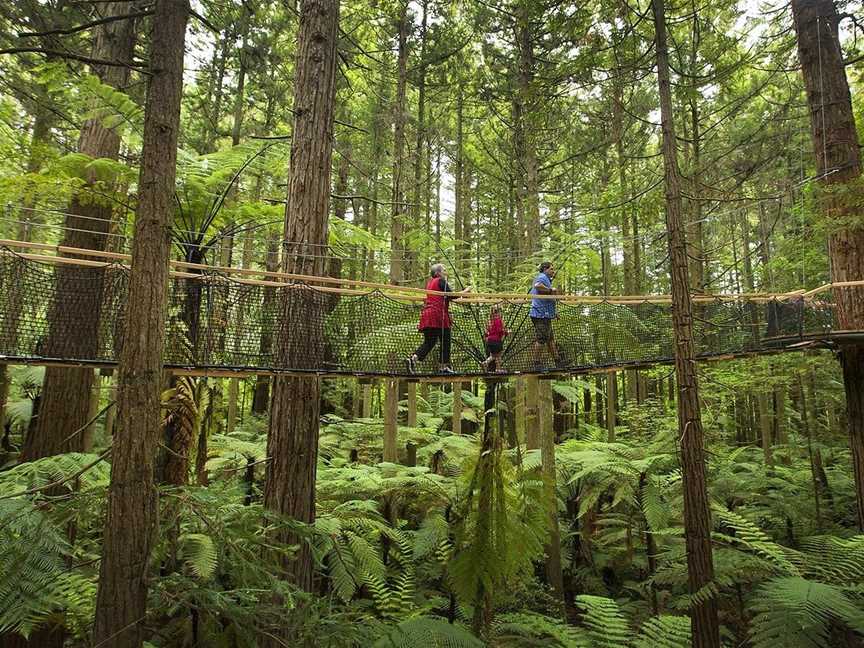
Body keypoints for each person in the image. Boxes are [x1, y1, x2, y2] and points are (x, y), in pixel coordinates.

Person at [406, 263, 470, 374]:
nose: (445, 272)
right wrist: (465, 291)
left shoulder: (429, 283)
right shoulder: (440, 281)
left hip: (427, 315)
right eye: (443, 270)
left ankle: (413, 359)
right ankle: (443, 367)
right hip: (438, 316)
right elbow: (451, 295)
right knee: (446, 340)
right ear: (438, 273)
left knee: (429, 342)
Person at [530, 261, 562, 366]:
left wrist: (555, 312)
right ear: (545, 269)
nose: (553, 271)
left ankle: (558, 361)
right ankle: (536, 363)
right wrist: (550, 289)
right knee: (542, 339)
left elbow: (548, 299)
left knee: (550, 339)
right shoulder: (542, 277)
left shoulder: (547, 279)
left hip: (546, 314)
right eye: (551, 269)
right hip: (540, 314)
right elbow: (537, 286)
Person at [482, 305, 507, 372]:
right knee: (499, 355)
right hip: (496, 340)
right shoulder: (498, 320)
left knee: (493, 355)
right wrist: (506, 332)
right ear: (498, 312)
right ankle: (498, 369)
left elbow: (486, 331)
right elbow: (500, 330)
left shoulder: (490, 320)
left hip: (490, 341)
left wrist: (486, 337)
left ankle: (485, 362)